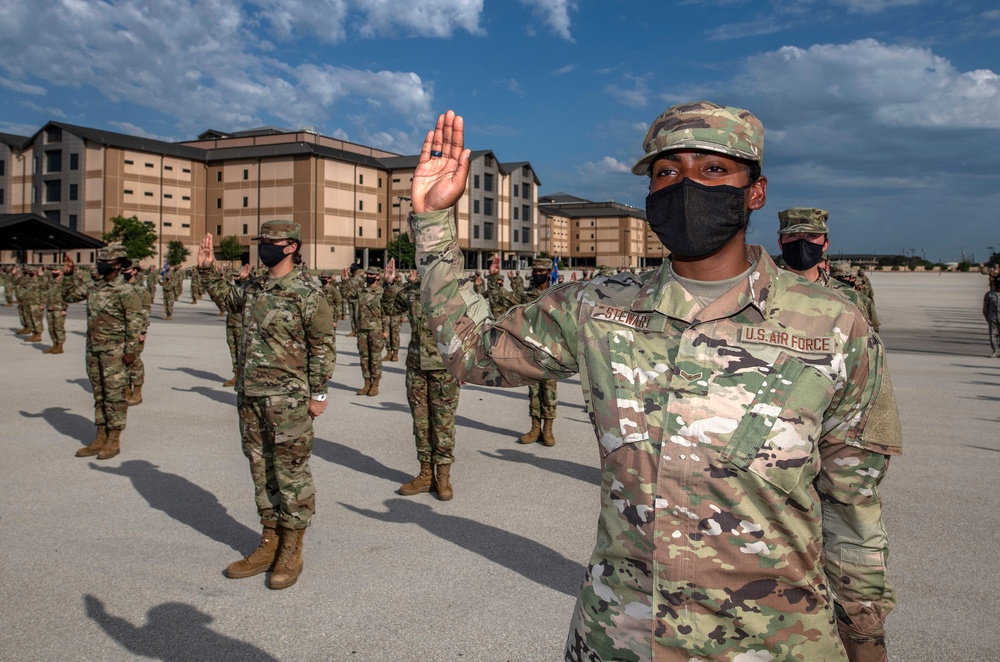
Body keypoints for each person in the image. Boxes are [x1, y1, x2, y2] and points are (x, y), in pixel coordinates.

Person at [408, 105, 902, 661]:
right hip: (620, 636)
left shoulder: (836, 327)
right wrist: (432, 225)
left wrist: (865, 638)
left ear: (755, 192)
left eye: (713, 170)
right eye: (667, 173)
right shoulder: (597, 308)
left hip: (776, 642)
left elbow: (852, 503)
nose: (686, 186)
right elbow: (473, 352)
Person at [199, 220, 335, 590]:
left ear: (291, 246)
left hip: (289, 400)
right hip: (252, 396)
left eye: (271, 242)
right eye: (261, 242)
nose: (264, 247)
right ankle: (269, 541)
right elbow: (228, 300)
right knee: (261, 472)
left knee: (290, 473)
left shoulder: (307, 291)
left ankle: (292, 548)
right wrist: (208, 268)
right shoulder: (255, 286)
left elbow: (322, 344)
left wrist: (318, 394)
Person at [382, 259, 461, 500]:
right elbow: (389, 308)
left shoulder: (455, 291)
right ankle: (426, 475)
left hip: (444, 369)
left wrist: (464, 364)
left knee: (444, 424)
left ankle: (444, 477)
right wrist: (389, 284)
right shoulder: (413, 291)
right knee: (421, 423)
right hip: (417, 367)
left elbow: (471, 328)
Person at [62, 245, 144, 460]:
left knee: (115, 396)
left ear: (117, 264)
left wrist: (130, 352)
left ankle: (113, 439)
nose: (101, 264)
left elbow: (135, 324)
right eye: (101, 260)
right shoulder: (93, 287)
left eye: (106, 261)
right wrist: (69, 275)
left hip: (115, 353)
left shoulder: (126, 291)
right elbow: (69, 296)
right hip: (94, 351)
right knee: (99, 395)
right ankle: (100, 436)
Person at [488, 254, 560, 446]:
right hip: (530, 352)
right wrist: (494, 278)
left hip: (552, 353)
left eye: (541, 272)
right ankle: (535, 427)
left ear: (549, 273)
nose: (537, 274)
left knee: (550, 391)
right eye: (535, 271)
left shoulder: (558, 296)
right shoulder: (524, 296)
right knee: (534, 390)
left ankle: (548, 429)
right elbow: (498, 301)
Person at [776, 207, 880, 331]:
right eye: (793, 235)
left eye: (811, 235)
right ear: (780, 244)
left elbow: (865, 347)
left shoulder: (848, 298)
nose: (802, 243)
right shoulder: (764, 291)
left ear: (825, 244)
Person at [122, 265, 152, 406]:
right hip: (121, 331)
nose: (124, 272)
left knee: (134, 361)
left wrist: (143, 331)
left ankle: (137, 391)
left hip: (135, 331)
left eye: (127, 269)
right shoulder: (120, 288)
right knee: (122, 362)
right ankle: (126, 389)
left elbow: (145, 311)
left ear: (134, 271)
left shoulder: (141, 290)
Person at [354, 265, 387, 396]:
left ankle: (375, 384)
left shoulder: (382, 292)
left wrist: (385, 330)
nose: (369, 277)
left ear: (378, 277)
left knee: (375, 357)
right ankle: (366, 383)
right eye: (368, 275)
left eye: (372, 275)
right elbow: (346, 294)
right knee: (364, 357)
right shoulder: (362, 291)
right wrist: (346, 280)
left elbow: (386, 313)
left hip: (376, 329)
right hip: (362, 328)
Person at [42, 266, 68, 354]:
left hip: (59, 308)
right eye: (52, 270)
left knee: (58, 328)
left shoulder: (64, 282)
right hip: (50, 307)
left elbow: (66, 296)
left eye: (55, 270)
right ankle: (54, 344)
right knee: (51, 328)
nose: (53, 272)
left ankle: (60, 346)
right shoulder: (51, 282)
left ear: (60, 271)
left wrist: (64, 309)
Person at [984, 274, 1000, 357]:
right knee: (993, 335)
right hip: (992, 318)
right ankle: (995, 351)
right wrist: (988, 317)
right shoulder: (989, 295)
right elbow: (985, 308)